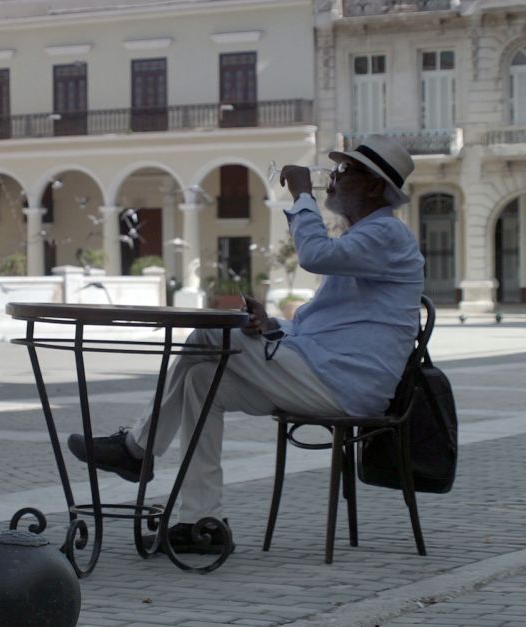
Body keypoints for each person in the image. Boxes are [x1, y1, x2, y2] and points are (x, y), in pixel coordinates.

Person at [66, 134, 425, 554]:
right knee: (202, 379)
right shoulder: (367, 239)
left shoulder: (386, 234)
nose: (334, 179)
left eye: (345, 171)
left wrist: (303, 195)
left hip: (344, 385)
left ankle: (136, 450)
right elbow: (330, 328)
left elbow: (312, 256)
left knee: (208, 335)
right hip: (328, 373)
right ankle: (201, 521)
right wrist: (272, 327)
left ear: (370, 185)